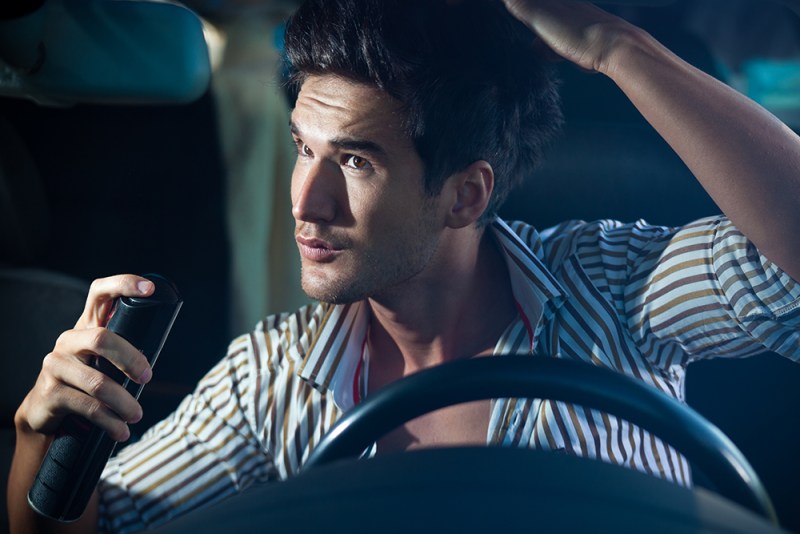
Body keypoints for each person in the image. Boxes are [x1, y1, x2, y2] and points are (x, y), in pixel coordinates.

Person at [8, 0, 800, 532]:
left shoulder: (617, 289)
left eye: (355, 161)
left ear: (464, 194)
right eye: (302, 151)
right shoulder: (275, 377)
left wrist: (615, 46)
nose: (305, 201)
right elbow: (96, 526)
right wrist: (43, 443)